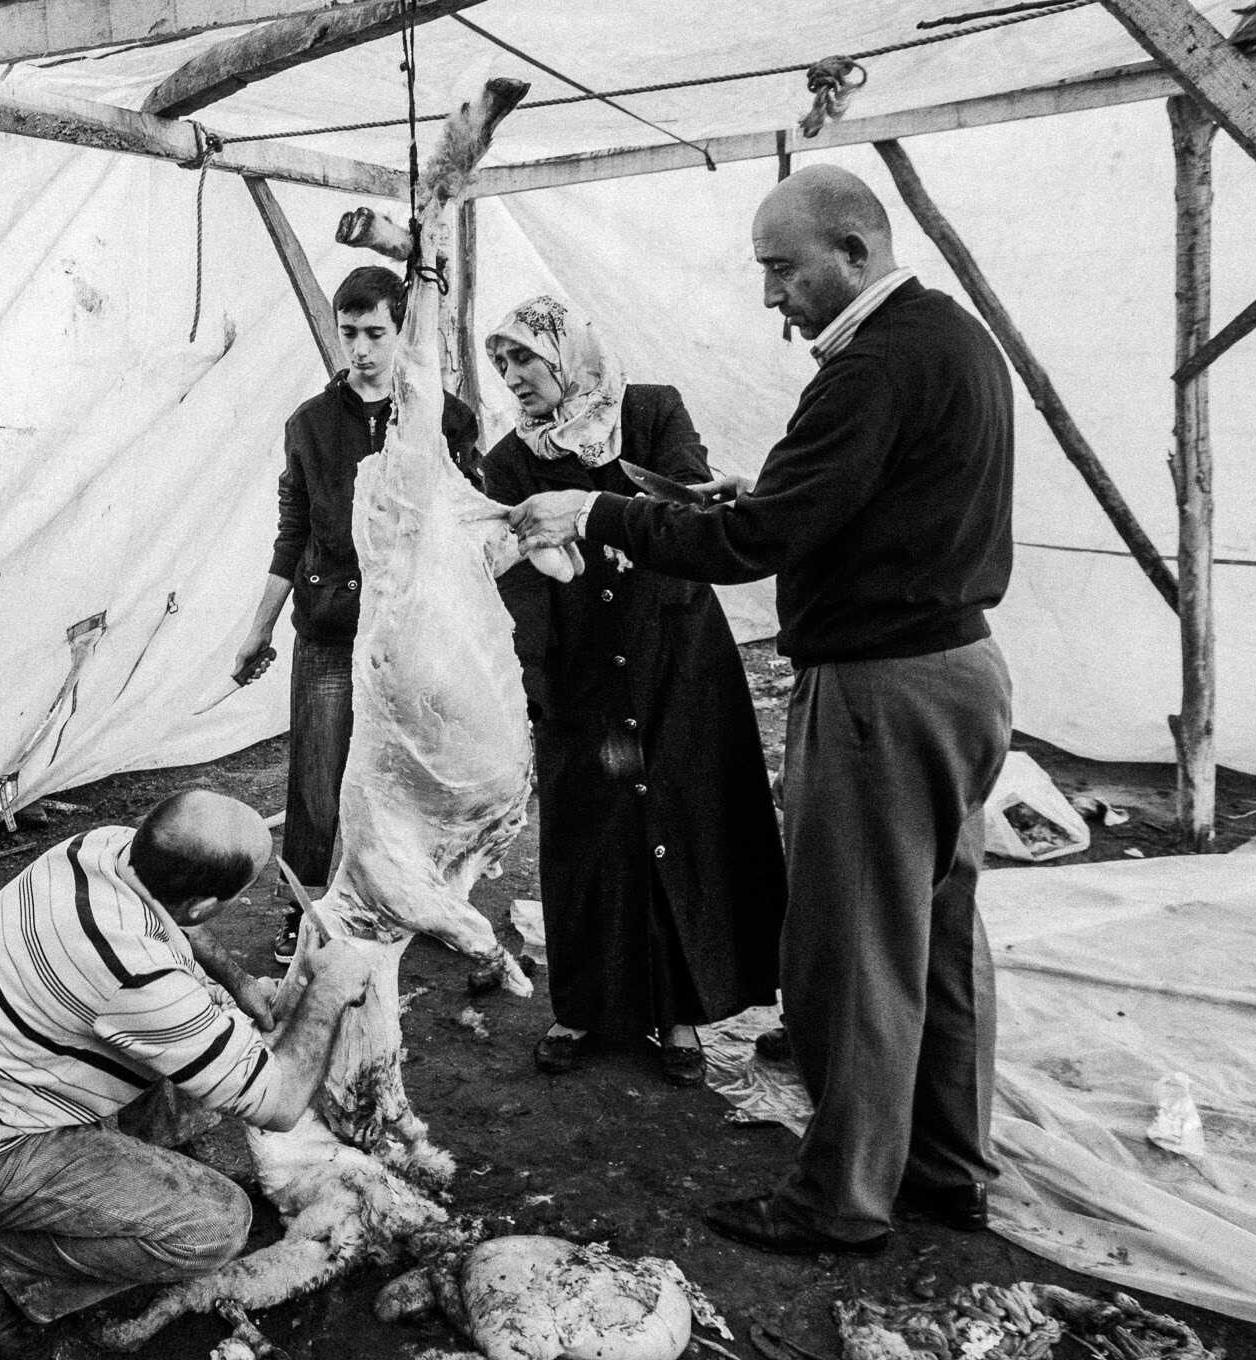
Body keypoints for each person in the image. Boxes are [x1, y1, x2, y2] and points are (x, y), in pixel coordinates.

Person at [507, 164, 1014, 1255]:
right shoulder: (952, 338)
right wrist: (754, 495)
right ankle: (944, 1169)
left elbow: (752, 546)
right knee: (937, 938)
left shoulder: (867, 367)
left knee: (851, 950)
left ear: (853, 252)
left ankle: (838, 1198)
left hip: (881, 689)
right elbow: (834, 507)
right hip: (959, 673)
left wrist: (600, 509)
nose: (769, 295)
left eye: (781, 269)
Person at [0, 789, 377, 1359]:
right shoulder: (135, 976)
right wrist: (329, 991)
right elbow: (280, 1105)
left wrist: (244, 994)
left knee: (229, 1048)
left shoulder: (98, 848)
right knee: (217, 1227)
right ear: (205, 904)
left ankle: (87, 1184)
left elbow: (187, 933)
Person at [479, 294, 785, 1088]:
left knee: (675, 822)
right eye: (503, 364)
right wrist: (536, 681)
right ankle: (579, 1007)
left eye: (524, 357)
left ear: (567, 352)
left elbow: (687, 499)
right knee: (588, 831)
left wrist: (614, 521)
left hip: (673, 656)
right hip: (579, 669)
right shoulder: (510, 460)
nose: (514, 378)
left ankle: (676, 1015)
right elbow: (510, 566)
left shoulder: (650, 411)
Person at [232, 266, 479, 963]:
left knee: (416, 773)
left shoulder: (444, 419)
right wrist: (257, 630)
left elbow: (464, 525)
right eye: (350, 334)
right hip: (332, 633)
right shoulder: (309, 426)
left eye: (376, 333)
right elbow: (292, 532)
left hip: (413, 633)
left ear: (403, 332)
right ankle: (306, 911)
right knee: (317, 780)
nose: (362, 348)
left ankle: (420, 897)